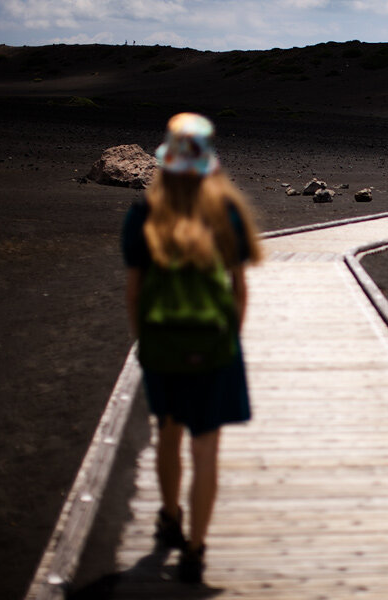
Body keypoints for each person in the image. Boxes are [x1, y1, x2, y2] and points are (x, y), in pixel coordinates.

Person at [121, 113, 262, 583]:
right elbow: (240, 288)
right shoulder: (227, 213)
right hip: (214, 346)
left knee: (168, 432)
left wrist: (146, 342)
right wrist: (230, 341)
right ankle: (197, 550)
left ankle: (169, 516)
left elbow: (135, 291)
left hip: (163, 343)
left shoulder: (145, 214)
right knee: (207, 450)